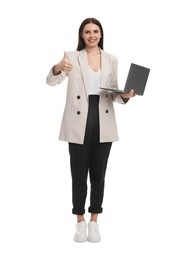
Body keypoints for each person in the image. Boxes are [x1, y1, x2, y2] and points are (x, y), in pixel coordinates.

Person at [46, 17, 135, 243]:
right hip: (78, 122)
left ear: (101, 34)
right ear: (81, 35)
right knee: (78, 176)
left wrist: (125, 96)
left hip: (103, 120)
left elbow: (113, 92)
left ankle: (94, 221)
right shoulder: (72, 58)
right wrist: (57, 67)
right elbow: (51, 81)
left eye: (96, 31)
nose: (92, 35)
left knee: (98, 175)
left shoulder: (111, 59)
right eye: (87, 32)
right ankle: (79, 221)